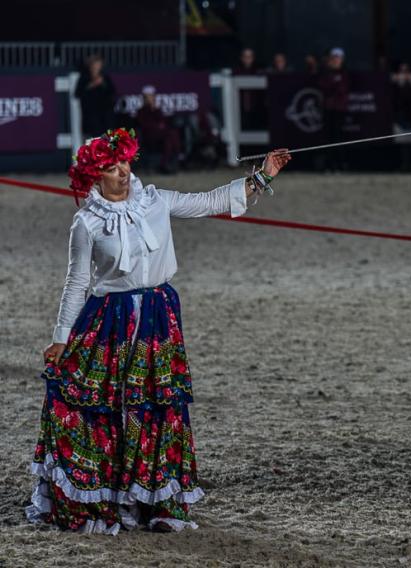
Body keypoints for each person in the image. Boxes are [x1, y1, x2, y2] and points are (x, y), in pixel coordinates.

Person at [26, 127, 291, 534]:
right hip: (109, 320)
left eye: (126, 163)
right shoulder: (86, 223)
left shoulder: (156, 200)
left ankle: (158, 502)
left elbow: (209, 201)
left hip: (157, 317)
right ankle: (109, 499)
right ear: (95, 176)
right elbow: (76, 283)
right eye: (112, 168)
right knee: (105, 406)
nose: (123, 173)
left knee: (155, 408)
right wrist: (61, 337)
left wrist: (262, 176)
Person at [136, 86, 182, 173]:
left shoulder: (157, 109)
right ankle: (177, 158)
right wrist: (156, 125)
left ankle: (166, 163)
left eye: (152, 96)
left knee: (169, 139)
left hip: (161, 135)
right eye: (148, 96)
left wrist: (154, 110)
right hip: (149, 136)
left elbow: (162, 122)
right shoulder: (141, 111)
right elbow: (144, 125)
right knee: (171, 134)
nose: (151, 98)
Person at [318, 47, 349, 171]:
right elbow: (323, 86)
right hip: (328, 109)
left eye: (338, 58)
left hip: (340, 109)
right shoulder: (325, 73)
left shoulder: (345, 74)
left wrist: (334, 83)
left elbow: (342, 89)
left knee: (339, 137)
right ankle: (328, 165)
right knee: (328, 138)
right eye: (334, 58)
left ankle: (340, 164)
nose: (336, 61)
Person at [74, 54, 116, 138]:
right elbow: (78, 93)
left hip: (105, 115)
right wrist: (92, 85)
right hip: (91, 116)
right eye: (94, 65)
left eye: (99, 65)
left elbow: (112, 92)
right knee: (94, 139)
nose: (96, 67)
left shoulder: (105, 77)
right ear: (90, 65)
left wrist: (103, 84)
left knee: (108, 138)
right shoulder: (84, 78)